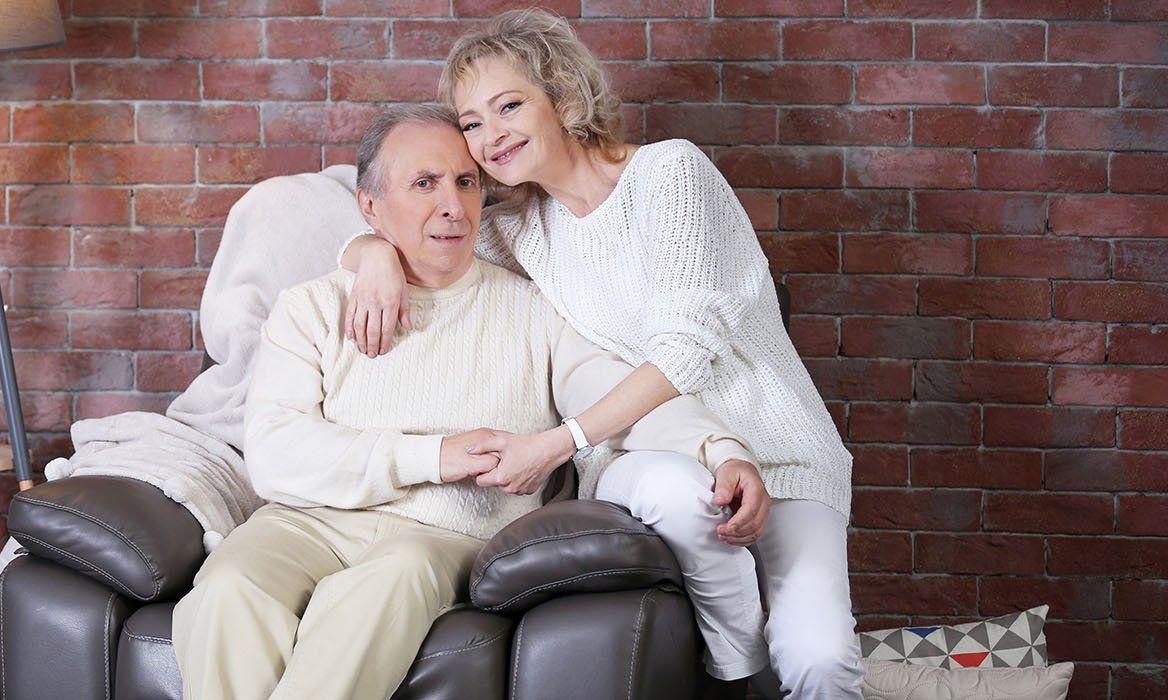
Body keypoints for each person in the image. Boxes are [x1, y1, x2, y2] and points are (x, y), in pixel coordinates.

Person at [337, 10, 863, 698]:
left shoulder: (669, 174)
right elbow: (409, 236)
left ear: (562, 94)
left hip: (778, 452)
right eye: (470, 122)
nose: (489, 136)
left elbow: (685, 351)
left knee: (819, 659)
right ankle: (745, 682)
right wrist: (370, 253)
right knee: (687, 499)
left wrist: (557, 441)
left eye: (509, 106)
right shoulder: (520, 230)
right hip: (636, 454)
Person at [172, 104, 761, 700]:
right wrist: (432, 456)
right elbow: (273, 450)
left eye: (466, 182)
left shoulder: (533, 310)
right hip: (304, 523)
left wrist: (720, 450)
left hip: (437, 535)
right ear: (370, 207)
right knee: (226, 585)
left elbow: (618, 392)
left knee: (389, 581)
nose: (452, 206)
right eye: (424, 184)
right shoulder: (312, 307)